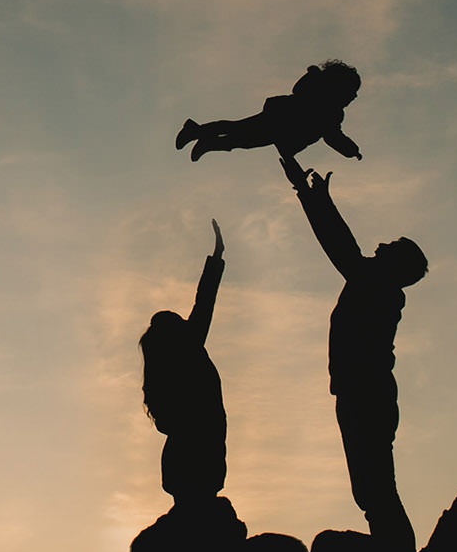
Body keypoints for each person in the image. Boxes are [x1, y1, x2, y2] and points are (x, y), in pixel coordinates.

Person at [280, 152, 426, 552]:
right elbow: (344, 247)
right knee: (373, 489)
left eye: (391, 247)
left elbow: (341, 247)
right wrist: (313, 196)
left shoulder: (377, 287)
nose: (380, 245)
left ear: (397, 265)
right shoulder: (376, 283)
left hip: (366, 394)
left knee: (375, 490)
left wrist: (312, 197)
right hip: (364, 393)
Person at [141, 219, 228, 504]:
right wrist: (216, 258)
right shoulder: (186, 349)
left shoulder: (160, 366)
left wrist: (216, 258)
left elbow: (203, 304)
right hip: (200, 447)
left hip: (187, 452)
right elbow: (204, 303)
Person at [177, 61, 363, 163]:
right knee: (238, 130)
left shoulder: (333, 114)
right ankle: (196, 132)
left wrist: (351, 150)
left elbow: (334, 137)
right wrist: (314, 76)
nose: (353, 97)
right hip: (278, 121)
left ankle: (207, 143)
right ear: (339, 89)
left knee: (242, 139)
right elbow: (298, 90)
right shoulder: (319, 101)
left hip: (284, 135)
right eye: (351, 92)